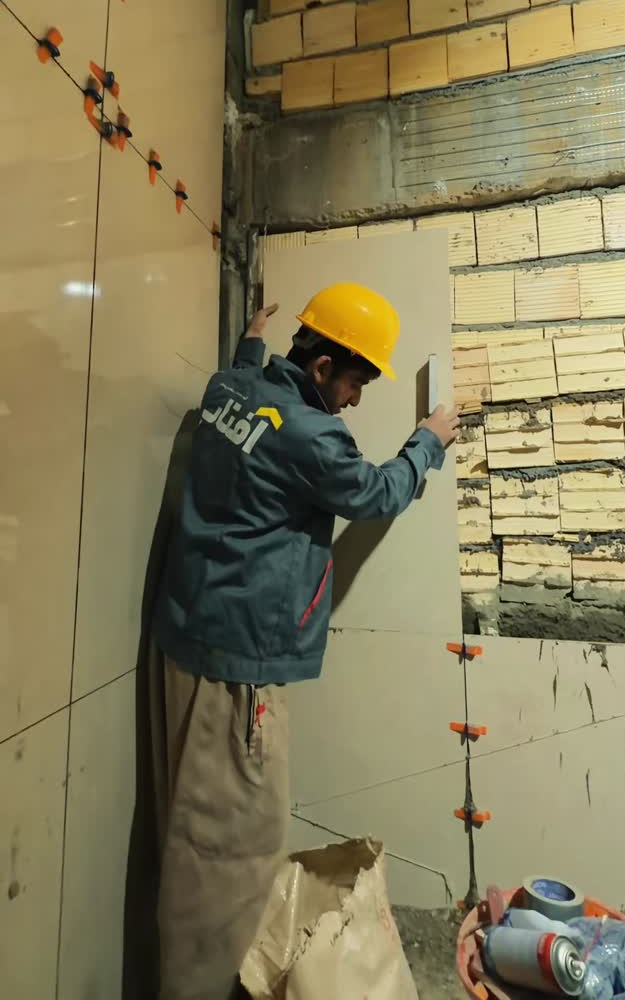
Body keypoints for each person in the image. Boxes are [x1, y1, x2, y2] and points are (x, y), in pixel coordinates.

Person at [150, 282, 460, 1000]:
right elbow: (375, 493)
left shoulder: (230, 388)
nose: (354, 400)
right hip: (239, 675)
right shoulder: (313, 436)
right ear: (321, 368)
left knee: (190, 831)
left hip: (186, 639)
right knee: (226, 858)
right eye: (354, 382)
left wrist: (252, 341)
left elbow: (247, 374)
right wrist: (428, 440)